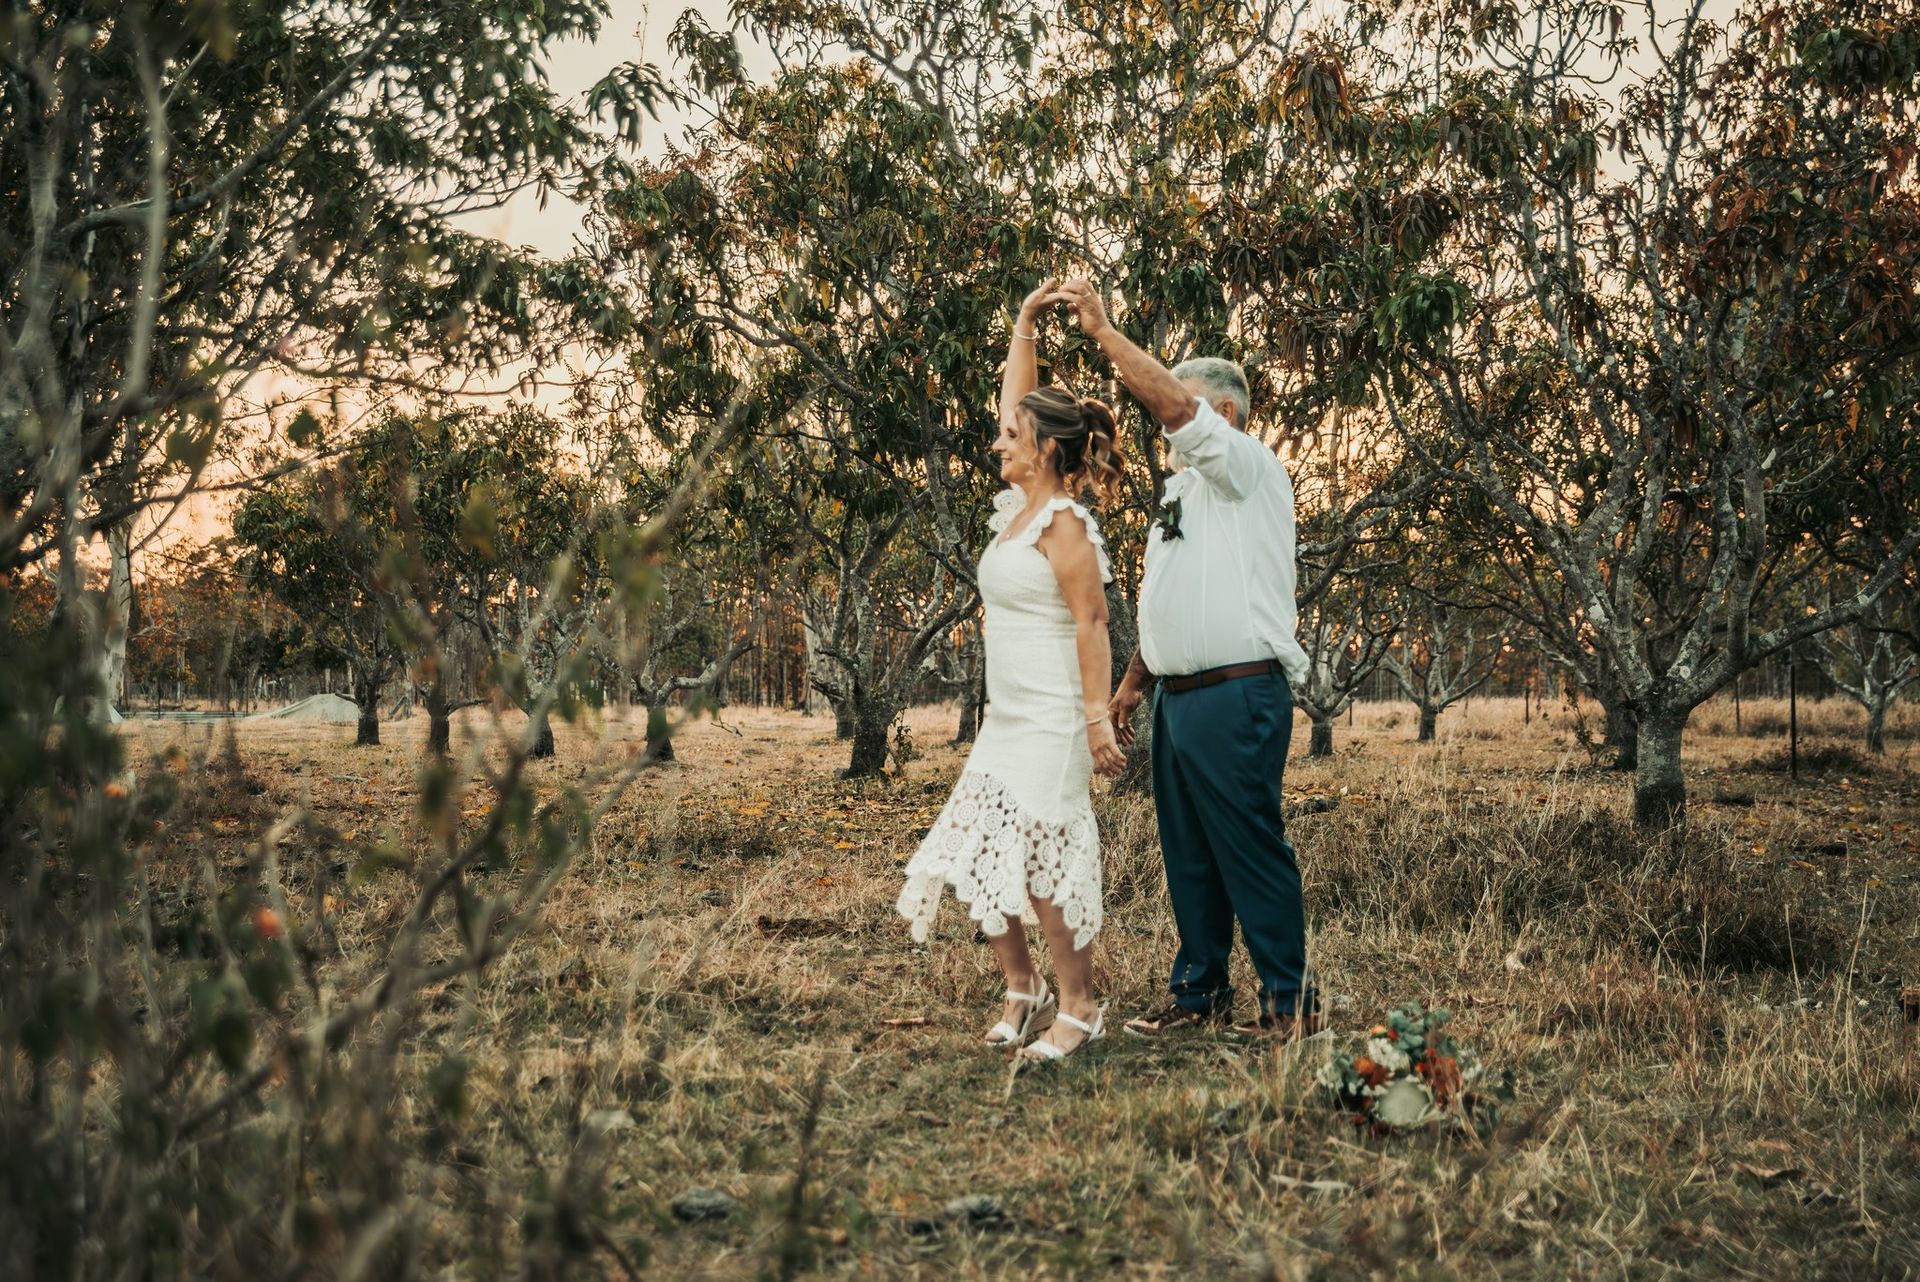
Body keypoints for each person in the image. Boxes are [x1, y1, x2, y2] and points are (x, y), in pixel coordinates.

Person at [1049, 277, 1323, 1041]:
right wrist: (1133, 688)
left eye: (1187, 405)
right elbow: (1169, 602)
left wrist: (1104, 332)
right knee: (1190, 858)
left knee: (1250, 846)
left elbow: (1170, 404)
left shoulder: (1247, 470)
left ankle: (1288, 1006)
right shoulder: (1180, 495)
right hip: (1177, 699)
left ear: (1223, 416)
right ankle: (1200, 994)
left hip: (1238, 695)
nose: (1168, 420)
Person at [896, 278, 1127, 1061]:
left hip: (1056, 718)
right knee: (977, 853)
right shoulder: (1015, 513)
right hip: (1006, 718)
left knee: (1042, 872)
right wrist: (1024, 319)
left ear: (1045, 452)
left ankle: (1080, 1004)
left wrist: (1097, 719)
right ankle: (1021, 988)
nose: (997, 445)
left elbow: (1094, 624)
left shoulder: (1065, 525)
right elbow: (1014, 399)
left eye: (1011, 439)